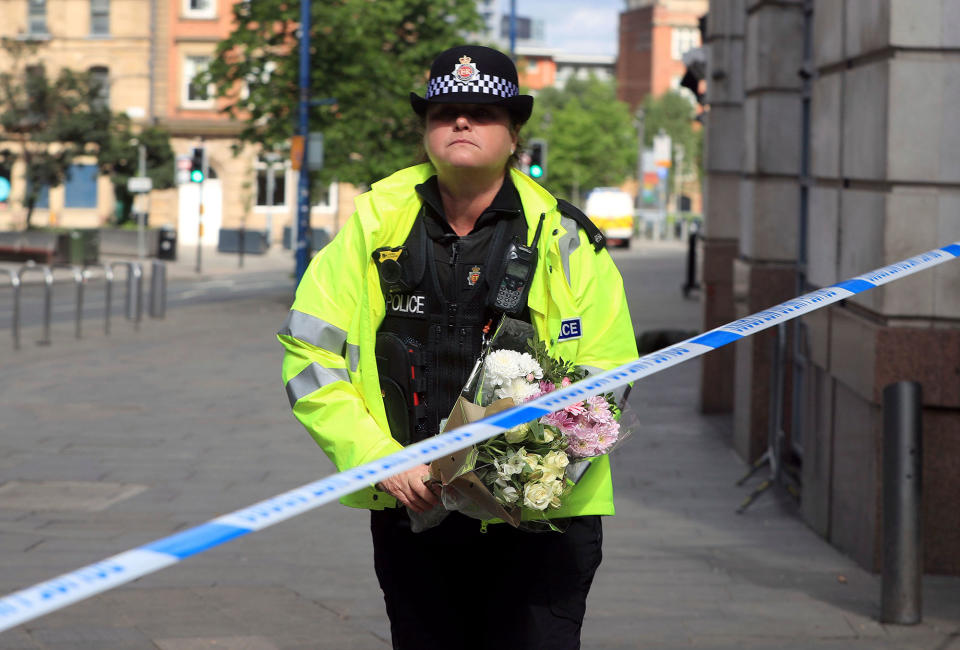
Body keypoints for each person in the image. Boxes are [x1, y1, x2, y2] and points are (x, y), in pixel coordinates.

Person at [278, 45, 637, 650]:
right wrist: (379, 459)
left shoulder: (569, 238)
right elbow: (308, 356)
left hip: (538, 520)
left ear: (515, 131)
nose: (462, 121)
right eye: (445, 111)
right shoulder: (372, 225)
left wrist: (526, 478)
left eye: (482, 111)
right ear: (425, 130)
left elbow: (608, 374)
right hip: (413, 507)